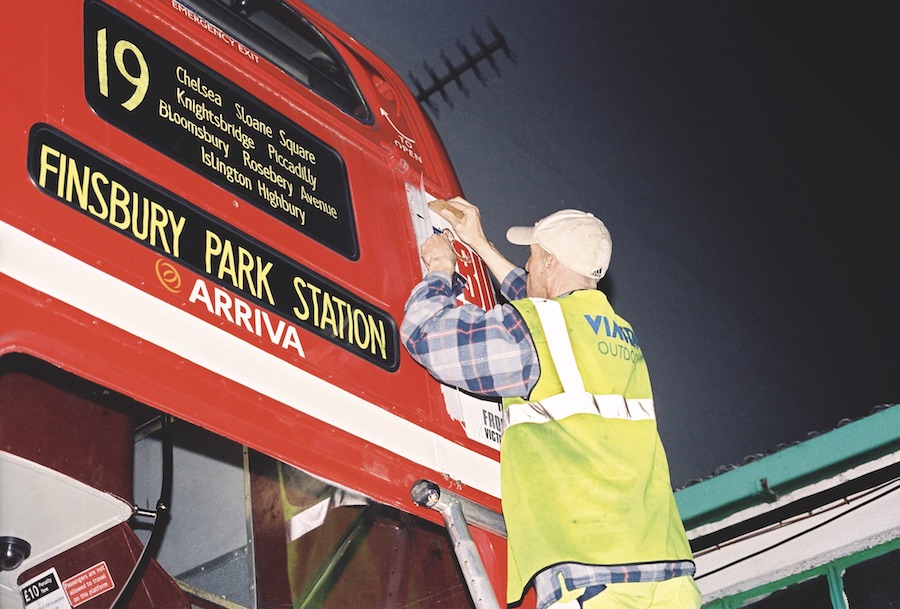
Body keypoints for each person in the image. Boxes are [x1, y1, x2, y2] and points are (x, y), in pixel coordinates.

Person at [400, 197, 700, 609]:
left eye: (533, 255)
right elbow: (543, 307)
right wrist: (481, 245)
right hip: (668, 575)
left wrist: (440, 269)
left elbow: (427, 334)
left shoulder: (540, 332)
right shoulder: (616, 332)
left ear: (550, 263)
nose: (526, 264)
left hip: (593, 576)